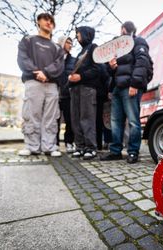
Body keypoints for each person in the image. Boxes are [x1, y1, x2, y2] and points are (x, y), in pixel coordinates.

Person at [100, 21, 152, 164]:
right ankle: (115, 151)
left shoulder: (138, 41)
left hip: (130, 86)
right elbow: (110, 69)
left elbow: (142, 62)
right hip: (117, 87)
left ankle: (133, 151)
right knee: (115, 121)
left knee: (133, 121)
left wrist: (135, 84)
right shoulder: (119, 47)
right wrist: (111, 66)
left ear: (123, 30)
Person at [17, 13, 64, 157]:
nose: (49, 23)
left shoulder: (57, 47)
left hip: (51, 85)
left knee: (51, 116)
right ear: (38, 22)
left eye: (52, 21)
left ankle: (49, 147)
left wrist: (46, 73)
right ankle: (32, 147)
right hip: (33, 82)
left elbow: (59, 64)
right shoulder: (27, 40)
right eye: (46, 20)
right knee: (32, 114)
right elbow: (23, 58)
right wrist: (36, 72)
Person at [68, 26, 100, 160]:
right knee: (76, 119)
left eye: (78, 33)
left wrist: (81, 77)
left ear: (86, 34)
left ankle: (91, 148)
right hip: (75, 90)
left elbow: (97, 69)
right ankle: (80, 146)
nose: (76, 36)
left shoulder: (94, 48)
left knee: (87, 119)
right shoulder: (81, 51)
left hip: (87, 89)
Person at [56, 36, 75, 153]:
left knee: (69, 120)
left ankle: (69, 142)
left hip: (68, 94)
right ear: (61, 43)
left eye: (71, 43)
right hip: (56, 94)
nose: (70, 45)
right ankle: (55, 143)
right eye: (68, 42)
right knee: (55, 120)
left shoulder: (73, 60)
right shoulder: (54, 59)